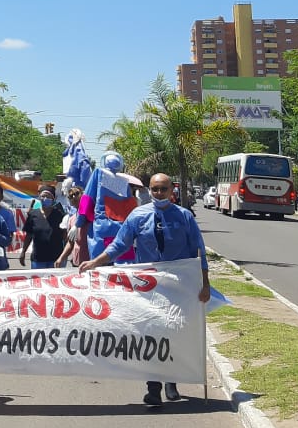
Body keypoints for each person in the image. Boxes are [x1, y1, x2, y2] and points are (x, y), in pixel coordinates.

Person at [78, 172, 211, 408]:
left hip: (179, 285)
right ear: (149, 191)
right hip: (149, 287)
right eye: (155, 189)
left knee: (174, 333)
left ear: (172, 191)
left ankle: (171, 380)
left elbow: (198, 251)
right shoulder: (138, 216)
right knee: (151, 333)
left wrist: (204, 282)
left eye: (163, 189)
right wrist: (95, 262)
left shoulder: (184, 217)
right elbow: (119, 245)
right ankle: (153, 387)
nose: (159, 193)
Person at [76, 152, 145, 264]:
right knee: (122, 262)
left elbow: (87, 198)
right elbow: (130, 206)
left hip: (103, 225)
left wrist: (79, 223)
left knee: (99, 263)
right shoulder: (124, 181)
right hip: (122, 227)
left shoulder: (98, 173)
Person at [19, 185, 66, 269]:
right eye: (43, 196)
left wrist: (64, 256)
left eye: (48, 196)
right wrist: (23, 252)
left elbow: (65, 237)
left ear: (53, 199)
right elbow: (29, 235)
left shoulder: (60, 215)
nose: (45, 199)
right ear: (39, 198)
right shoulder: (33, 214)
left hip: (56, 260)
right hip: (38, 260)